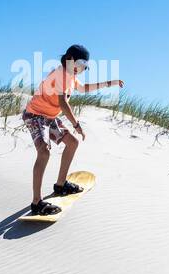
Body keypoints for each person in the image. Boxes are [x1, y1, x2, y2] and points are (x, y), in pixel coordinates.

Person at [21, 44, 124, 216]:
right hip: (35, 115)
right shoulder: (61, 74)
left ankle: (60, 185)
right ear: (70, 60)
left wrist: (109, 83)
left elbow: (84, 88)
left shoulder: (71, 76)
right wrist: (76, 125)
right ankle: (36, 203)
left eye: (86, 66)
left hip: (49, 117)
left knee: (72, 143)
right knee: (44, 152)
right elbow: (63, 103)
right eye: (82, 63)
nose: (83, 68)